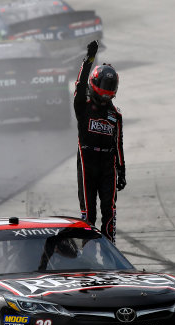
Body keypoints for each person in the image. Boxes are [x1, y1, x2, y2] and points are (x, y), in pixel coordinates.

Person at [74, 40, 126, 243]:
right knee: (89, 212)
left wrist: (121, 170)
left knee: (109, 210)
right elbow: (79, 84)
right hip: (87, 160)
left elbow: (118, 144)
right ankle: (86, 250)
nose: (106, 91)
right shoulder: (82, 105)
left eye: (110, 87)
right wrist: (90, 58)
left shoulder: (115, 115)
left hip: (108, 165)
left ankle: (109, 249)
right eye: (104, 85)